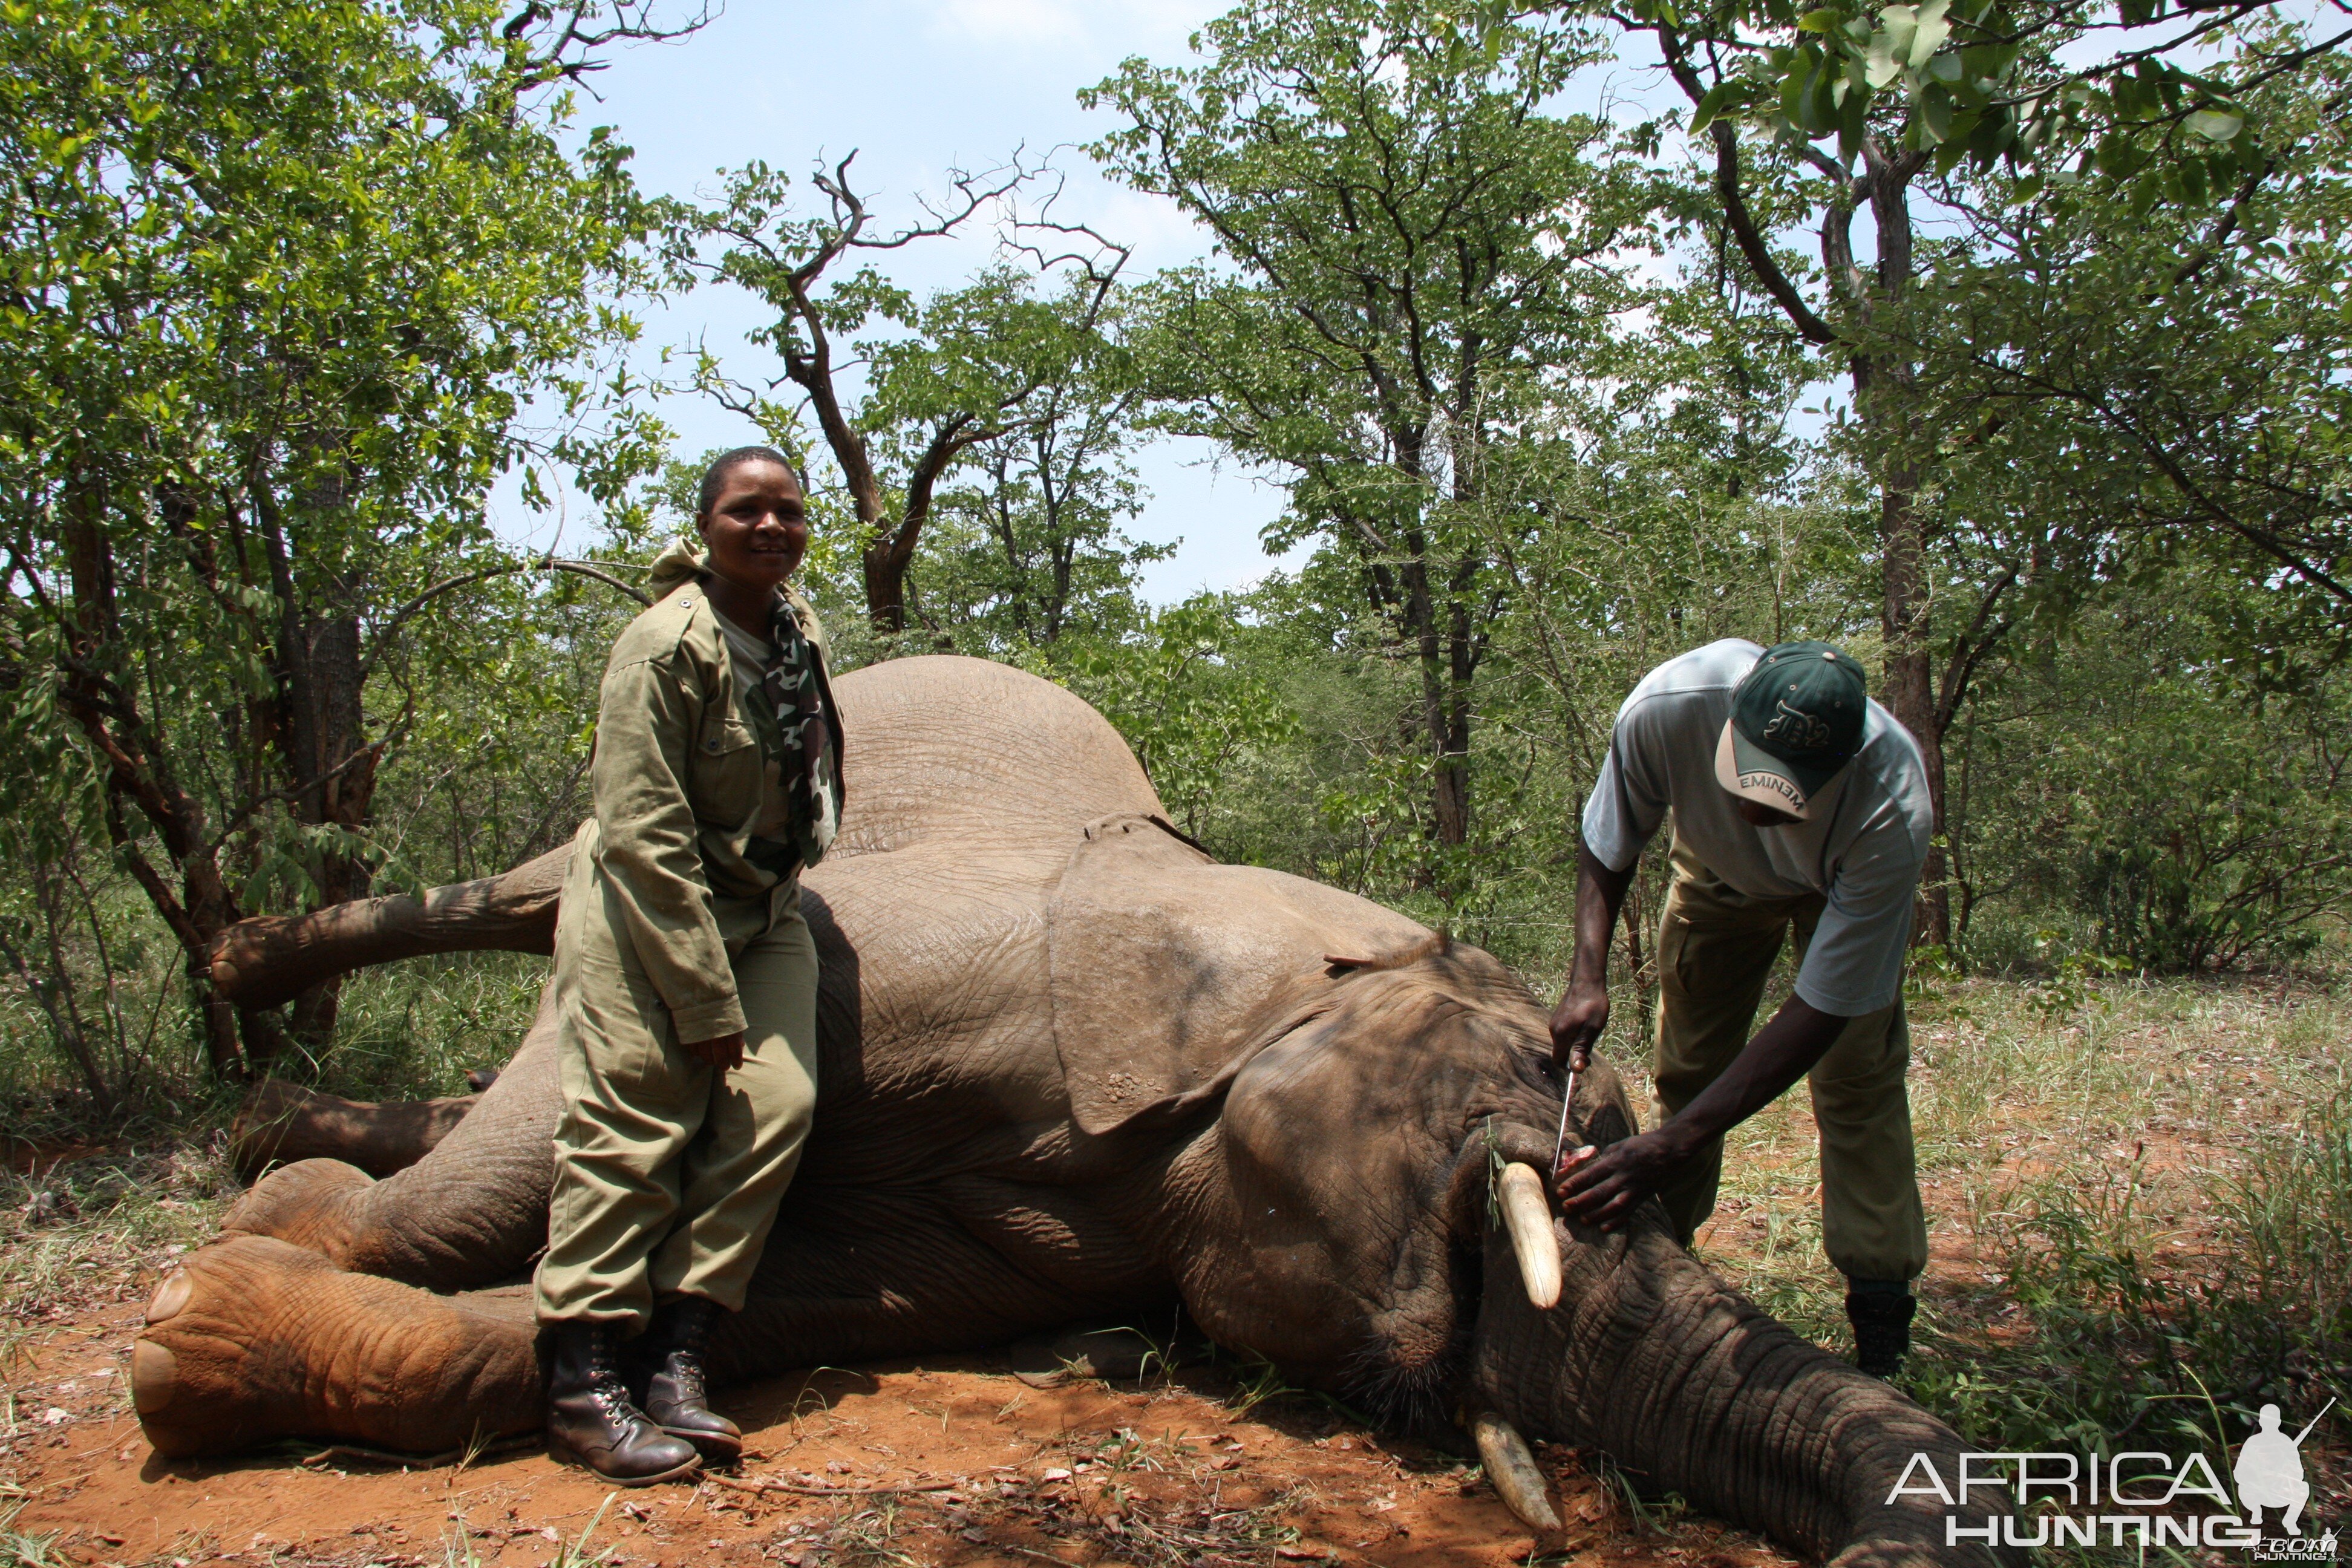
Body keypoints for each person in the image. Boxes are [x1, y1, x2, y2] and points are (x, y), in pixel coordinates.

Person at [534, 446, 845, 1483]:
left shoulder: (798, 631)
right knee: (635, 1114)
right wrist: (701, 994)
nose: (770, 528)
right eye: (746, 511)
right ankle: (580, 1388)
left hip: (765, 903)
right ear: (706, 526)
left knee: (779, 1104)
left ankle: (678, 1355)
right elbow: (640, 830)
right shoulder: (663, 646)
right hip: (651, 906)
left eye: (787, 513)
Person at [1549, 638, 1932, 1376]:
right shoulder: (1671, 704)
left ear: (1844, 765)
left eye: (1787, 789)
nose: (1760, 801)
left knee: (1858, 1082)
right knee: (1690, 1071)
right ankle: (1662, 1262)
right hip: (1715, 881)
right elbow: (1609, 839)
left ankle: (1880, 1314)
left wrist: (1672, 1144)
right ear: (1731, 722)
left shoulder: (1892, 801)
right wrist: (1585, 975)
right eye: (1751, 775)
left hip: (1835, 891)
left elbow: (1824, 1006)